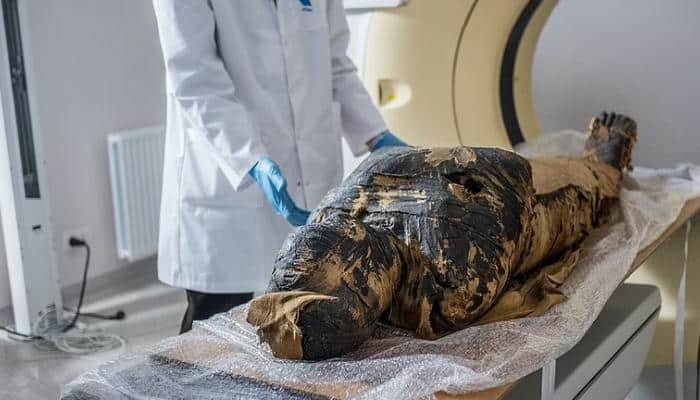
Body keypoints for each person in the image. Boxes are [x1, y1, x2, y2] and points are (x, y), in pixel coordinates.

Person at [152, 0, 407, 333]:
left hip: (310, 170)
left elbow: (335, 65)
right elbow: (196, 81)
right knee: (213, 331)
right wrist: (250, 159)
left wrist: (376, 135)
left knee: (305, 321)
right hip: (225, 177)